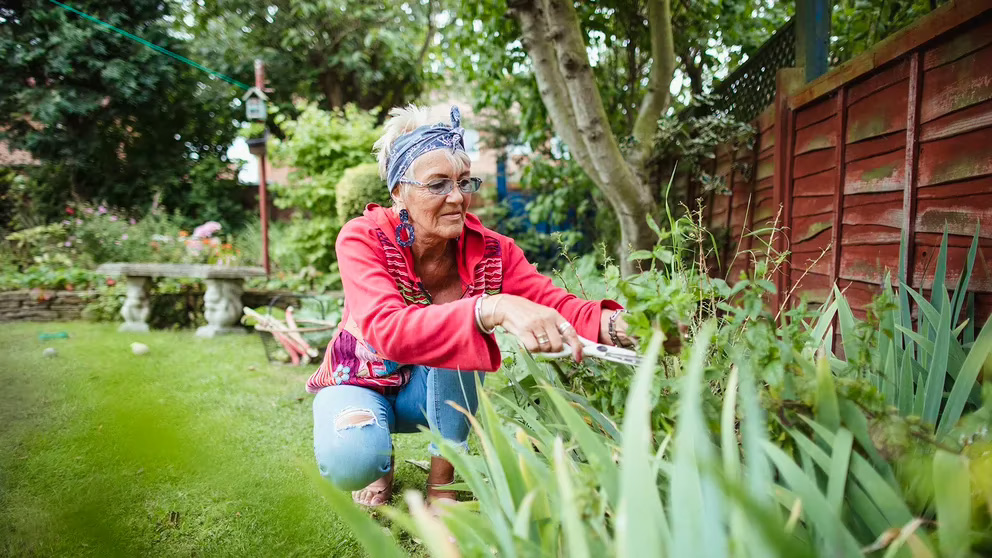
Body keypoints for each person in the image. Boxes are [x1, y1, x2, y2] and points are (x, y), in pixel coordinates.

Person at [308, 105, 633, 507]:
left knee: (460, 346)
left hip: (427, 394)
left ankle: (443, 489)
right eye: (438, 184)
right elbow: (387, 329)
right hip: (358, 382)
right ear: (398, 192)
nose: (458, 197)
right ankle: (378, 459)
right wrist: (490, 307)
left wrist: (622, 325)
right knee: (354, 460)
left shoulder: (493, 250)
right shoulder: (363, 239)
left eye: (464, 182)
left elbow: (555, 303)